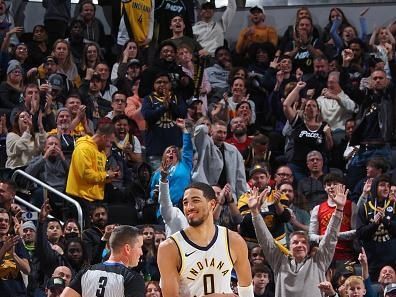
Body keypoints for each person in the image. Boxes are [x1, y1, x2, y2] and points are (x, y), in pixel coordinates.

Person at [248, 182, 348, 296]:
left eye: (304, 242)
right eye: (295, 242)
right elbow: (265, 239)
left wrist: (339, 209)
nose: (299, 244)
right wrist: (255, 212)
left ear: (309, 247)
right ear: (289, 247)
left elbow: (331, 237)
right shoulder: (279, 261)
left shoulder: (319, 261)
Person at [157, 182, 253, 297]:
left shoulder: (234, 240)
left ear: (212, 204)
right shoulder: (169, 248)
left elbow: (247, 291)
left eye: (195, 200)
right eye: (185, 203)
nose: (189, 207)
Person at [60, 225, 145, 297]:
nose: (141, 253)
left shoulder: (85, 272)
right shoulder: (132, 278)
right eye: (139, 247)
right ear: (127, 249)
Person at [66, 123, 120, 224]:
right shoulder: (83, 148)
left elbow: (98, 176)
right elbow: (86, 174)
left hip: (95, 200)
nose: (110, 146)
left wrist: (110, 176)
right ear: (104, 137)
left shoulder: (101, 152)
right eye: (109, 142)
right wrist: (106, 175)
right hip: (81, 198)